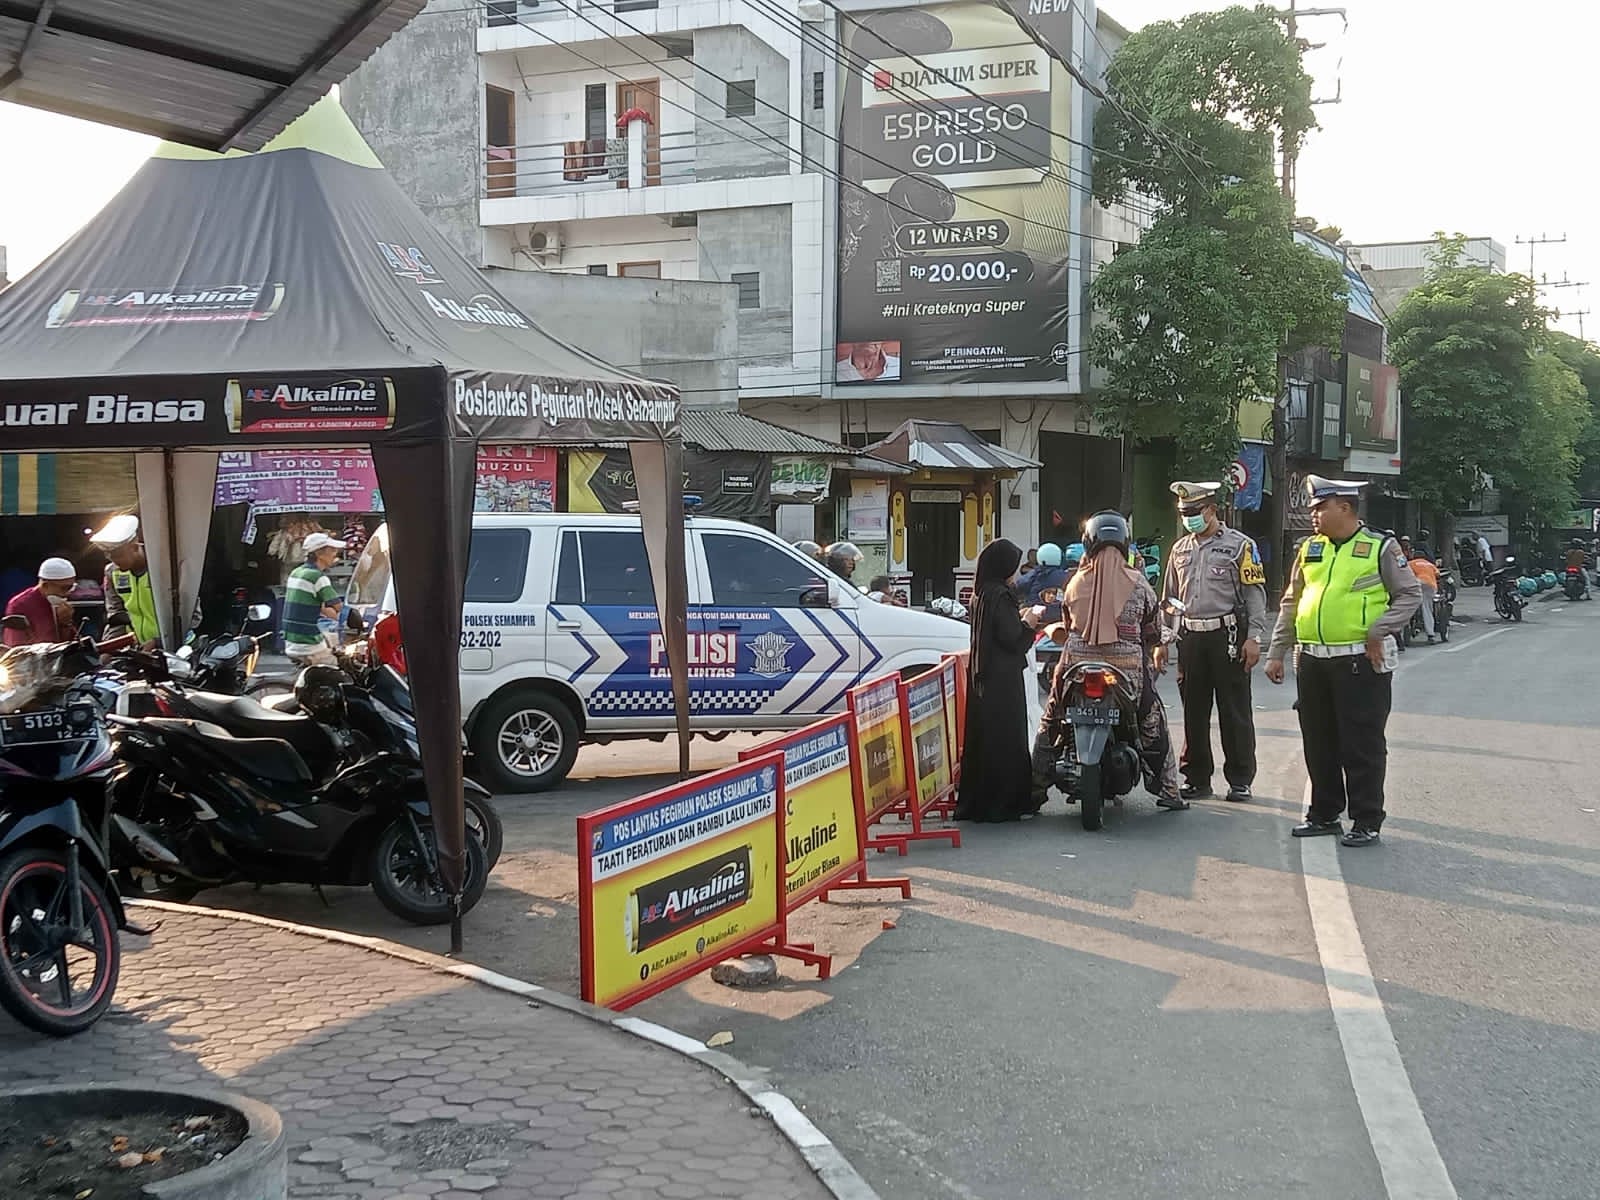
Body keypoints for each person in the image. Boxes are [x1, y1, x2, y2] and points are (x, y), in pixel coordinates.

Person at [1264, 476, 1421, 847]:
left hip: (1359, 662)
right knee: (1319, 742)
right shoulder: (1310, 548)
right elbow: (1291, 602)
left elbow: (1409, 594)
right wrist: (1276, 652)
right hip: (1312, 660)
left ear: (1345, 508)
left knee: (1361, 744)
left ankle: (1366, 819)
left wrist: (1379, 630)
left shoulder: (1380, 547)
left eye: (1321, 507)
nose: (1313, 514)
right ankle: (1324, 813)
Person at [1037, 511, 1185, 811]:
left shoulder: (1075, 582)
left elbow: (1068, 622)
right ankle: (1170, 790)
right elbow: (1153, 629)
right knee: (1152, 721)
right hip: (1127, 673)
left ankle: (1033, 790)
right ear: (1124, 544)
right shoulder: (1139, 584)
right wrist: (1153, 640)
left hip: (1075, 668)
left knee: (1051, 719)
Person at [1153, 482, 1269, 803]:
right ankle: (1197, 777)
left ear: (1212, 510)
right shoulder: (1179, 549)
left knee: (1234, 711)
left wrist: (1254, 637)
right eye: (1183, 512)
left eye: (1194, 512)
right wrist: (1162, 640)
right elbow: (1169, 599)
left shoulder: (1240, 546)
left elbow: (1254, 595)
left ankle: (1240, 779)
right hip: (1190, 637)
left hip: (1226, 636)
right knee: (1193, 710)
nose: (1188, 518)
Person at [954, 538, 1041, 822]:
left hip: (984, 676)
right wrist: (1029, 623)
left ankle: (981, 802)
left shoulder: (981, 593)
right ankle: (1006, 803)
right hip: (1003, 679)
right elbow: (1011, 638)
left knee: (986, 740)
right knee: (1006, 739)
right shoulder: (1000, 596)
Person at [91, 514, 161, 649]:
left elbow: (192, 616)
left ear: (135, 548)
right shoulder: (112, 572)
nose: (114, 560)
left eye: (118, 555)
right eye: (108, 555)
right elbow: (116, 615)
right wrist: (108, 649)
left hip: (177, 650)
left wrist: (158, 642)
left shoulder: (163, 568)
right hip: (141, 650)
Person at [282, 532, 348, 668]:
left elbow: (324, 609)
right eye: (332, 550)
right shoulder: (317, 577)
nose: (335, 554)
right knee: (346, 665)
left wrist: (342, 621)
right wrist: (357, 621)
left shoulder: (296, 573)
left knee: (332, 639)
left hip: (292, 642)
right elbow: (339, 608)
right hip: (308, 645)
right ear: (319, 554)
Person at [3, 558, 78, 646]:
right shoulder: (19, 605)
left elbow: (71, 644)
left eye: (72, 587)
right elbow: (16, 646)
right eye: (65, 588)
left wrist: (65, 623)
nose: (68, 593)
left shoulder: (62, 604)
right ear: (45, 585)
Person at [1408, 550, 1441, 641]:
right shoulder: (1430, 564)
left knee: (1410, 604)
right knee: (1427, 609)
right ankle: (1430, 634)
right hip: (1430, 586)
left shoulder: (1411, 563)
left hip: (1417, 584)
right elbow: (1438, 575)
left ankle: (1412, 624)